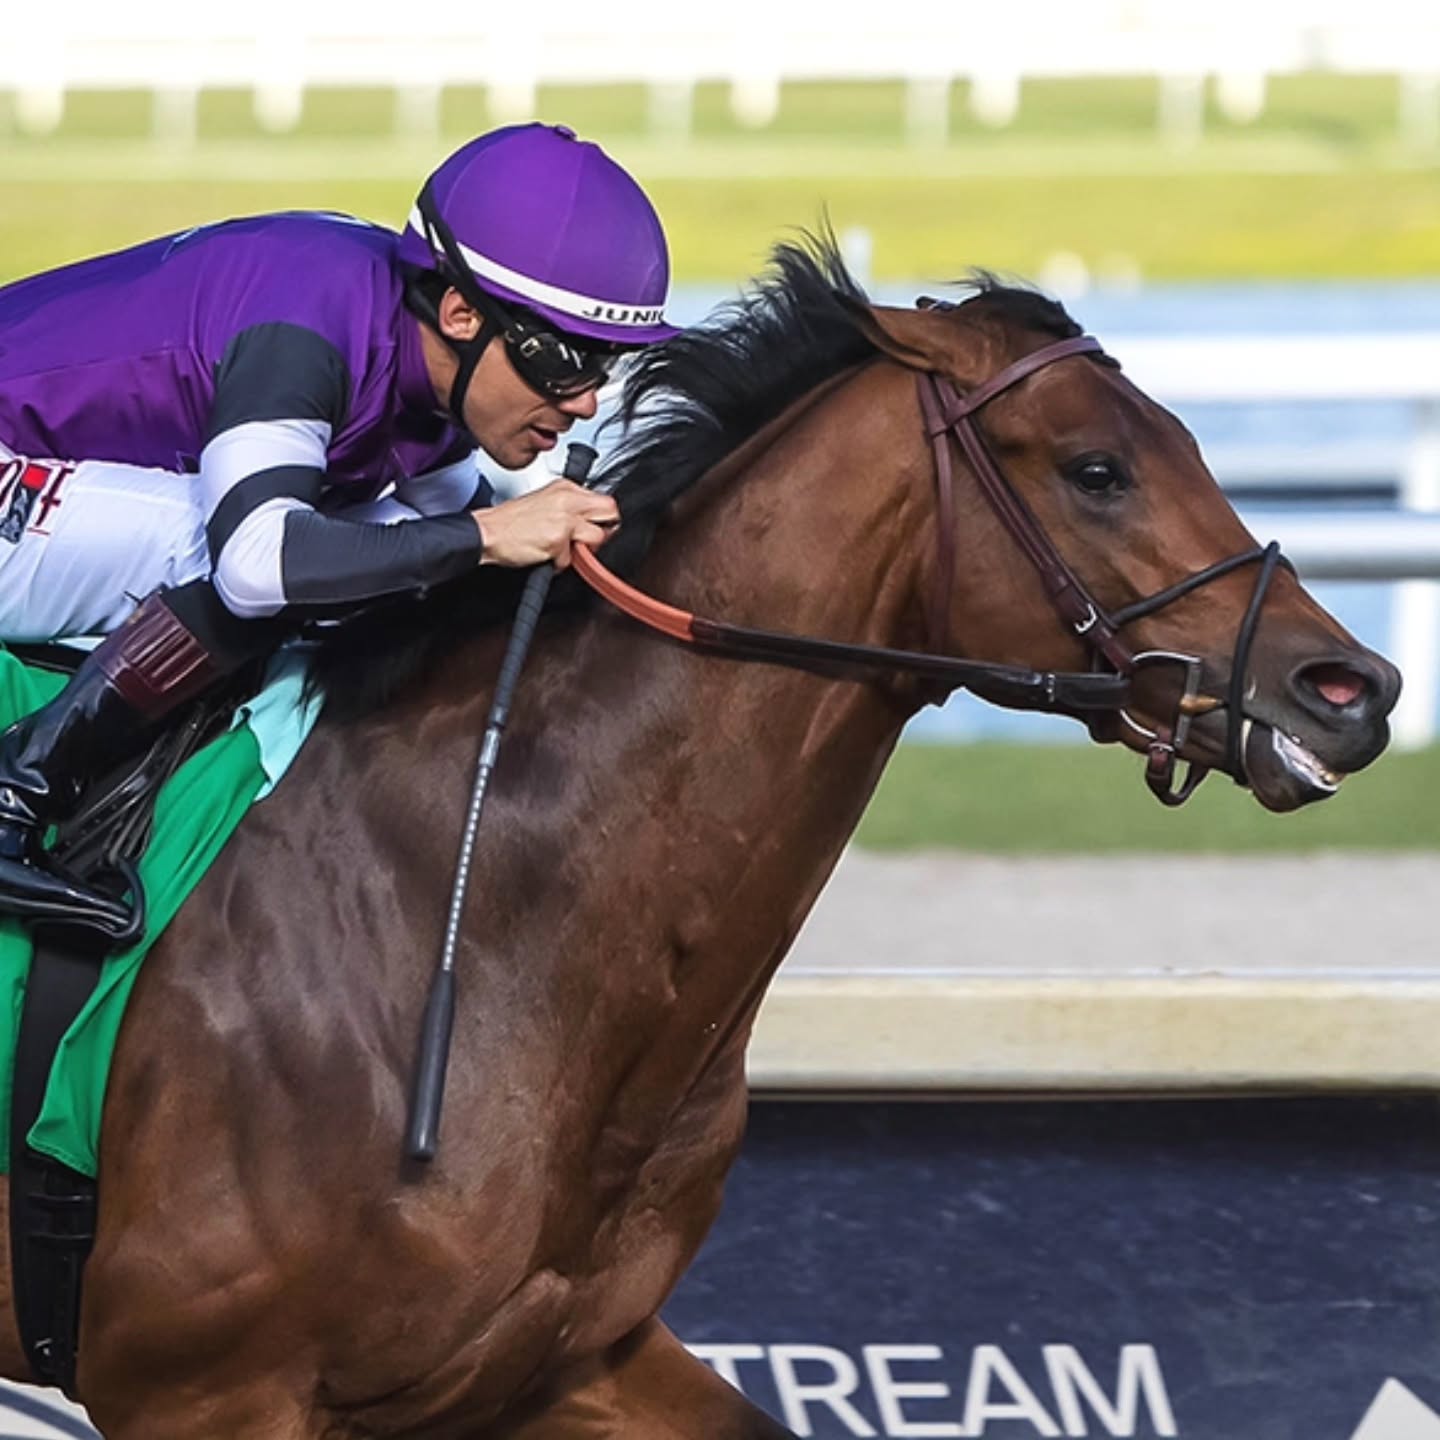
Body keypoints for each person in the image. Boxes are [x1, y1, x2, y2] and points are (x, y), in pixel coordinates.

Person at [0, 121, 681, 938]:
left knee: (389, 549)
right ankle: (19, 790)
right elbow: (257, 564)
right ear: (461, 312)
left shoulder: (430, 370)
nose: (585, 401)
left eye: (605, 365)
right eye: (565, 359)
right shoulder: (310, 320)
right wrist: (490, 536)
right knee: (253, 555)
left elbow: (446, 523)